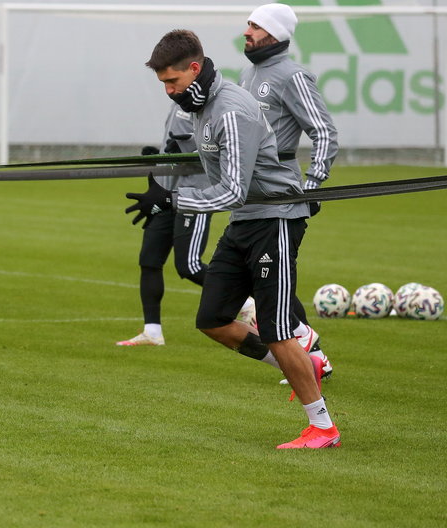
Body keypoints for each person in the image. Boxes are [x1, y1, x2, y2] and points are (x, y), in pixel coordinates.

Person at [133, 29, 340, 448]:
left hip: (275, 220)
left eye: (172, 81)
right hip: (246, 222)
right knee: (212, 319)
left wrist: (171, 200)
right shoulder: (199, 107)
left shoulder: (229, 109)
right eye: (164, 84)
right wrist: (165, 179)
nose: (169, 91)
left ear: (194, 69)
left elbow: (232, 191)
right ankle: (304, 365)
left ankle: (323, 427)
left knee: (279, 329)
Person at [240, 3, 339, 381]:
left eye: (255, 25)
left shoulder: (293, 76)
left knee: (269, 281)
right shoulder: (248, 74)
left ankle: (310, 350)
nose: (246, 31)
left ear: (276, 33)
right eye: (248, 23)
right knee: (253, 275)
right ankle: (307, 342)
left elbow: (324, 131)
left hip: (280, 194)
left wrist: (313, 182)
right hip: (248, 195)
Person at [117, 103, 211, 346]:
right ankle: (153, 332)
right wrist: (158, 154)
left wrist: (185, 150)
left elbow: (217, 152)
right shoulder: (177, 101)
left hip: (194, 193)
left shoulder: (210, 104)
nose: (168, 86)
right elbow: (172, 142)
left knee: (188, 266)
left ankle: (247, 303)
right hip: (163, 192)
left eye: (171, 78)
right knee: (149, 260)